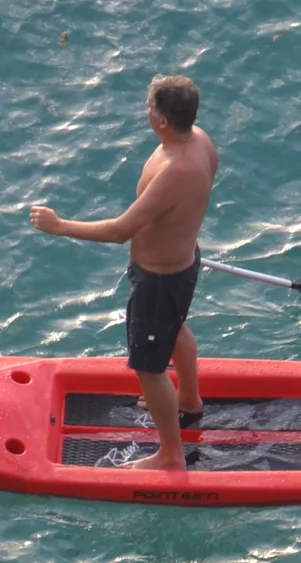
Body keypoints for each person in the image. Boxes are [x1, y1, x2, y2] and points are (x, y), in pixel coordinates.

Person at [30, 74, 218, 469]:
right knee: (176, 331)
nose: (146, 112)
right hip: (183, 263)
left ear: (163, 121)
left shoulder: (175, 169)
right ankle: (189, 402)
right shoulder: (199, 141)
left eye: (151, 107)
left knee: (149, 369)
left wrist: (60, 225)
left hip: (160, 278)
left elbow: (120, 231)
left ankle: (169, 455)